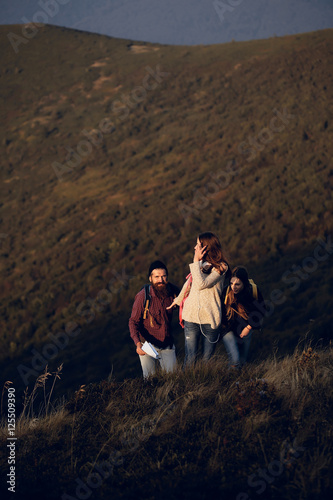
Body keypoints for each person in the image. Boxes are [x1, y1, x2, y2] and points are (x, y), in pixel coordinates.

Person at [167, 232, 230, 366]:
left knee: (207, 360)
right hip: (191, 316)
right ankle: (187, 386)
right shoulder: (200, 265)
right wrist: (177, 301)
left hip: (210, 317)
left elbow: (202, 284)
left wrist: (195, 261)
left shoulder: (221, 267)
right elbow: (190, 283)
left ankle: (205, 385)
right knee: (190, 358)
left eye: (198, 244)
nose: (195, 248)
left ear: (205, 247)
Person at [129, 260, 179, 378]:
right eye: (157, 277)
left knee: (174, 378)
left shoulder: (173, 292)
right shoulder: (143, 296)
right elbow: (133, 322)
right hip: (147, 345)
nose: (161, 280)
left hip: (167, 343)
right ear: (150, 278)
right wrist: (137, 344)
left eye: (163, 276)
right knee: (150, 379)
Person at [222, 266, 265, 369]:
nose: (233, 287)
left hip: (246, 328)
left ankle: (237, 383)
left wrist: (249, 327)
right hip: (228, 329)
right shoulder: (226, 292)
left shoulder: (252, 290)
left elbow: (261, 310)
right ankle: (230, 381)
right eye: (231, 283)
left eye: (237, 284)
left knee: (242, 361)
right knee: (235, 359)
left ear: (244, 283)